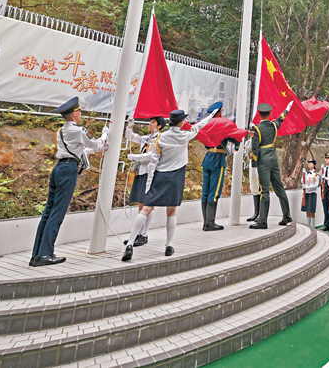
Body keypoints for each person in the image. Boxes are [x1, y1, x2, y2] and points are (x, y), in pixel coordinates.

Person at [122, 109, 213, 261]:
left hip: (160, 175)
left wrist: (149, 185)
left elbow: (153, 161)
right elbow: (199, 126)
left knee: (145, 209)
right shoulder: (185, 136)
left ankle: (130, 243)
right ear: (182, 122)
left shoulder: (161, 137)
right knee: (171, 212)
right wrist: (211, 115)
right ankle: (169, 245)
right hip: (176, 177)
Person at [31, 97, 107, 267]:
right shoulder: (80, 131)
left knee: (48, 212)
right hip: (68, 170)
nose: (80, 114)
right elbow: (97, 145)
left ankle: (37, 254)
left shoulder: (61, 131)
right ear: (74, 114)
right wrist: (105, 135)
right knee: (57, 213)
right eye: (79, 111)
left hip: (58, 169)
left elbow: (75, 149)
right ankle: (45, 254)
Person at [198, 102, 246, 232]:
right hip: (217, 160)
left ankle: (205, 222)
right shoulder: (222, 124)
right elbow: (233, 135)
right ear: (219, 112)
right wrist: (237, 144)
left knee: (205, 192)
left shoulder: (207, 124)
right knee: (214, 192)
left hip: (207, 159)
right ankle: (210, 223)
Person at [249, 102, 294, 230]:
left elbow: (255, 149)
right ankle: (287, 215)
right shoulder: (274, 125)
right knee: (279, 187)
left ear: (259, 114)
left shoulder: (256, 129)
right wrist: (287, 108)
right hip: (273, 159)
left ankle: (262, 221)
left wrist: (254, 165)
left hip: (263, 160)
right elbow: (282, 118)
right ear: (269, 114)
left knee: (264, 190)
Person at [123, 115, 165, 247]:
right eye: (150, 122)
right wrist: (130, 125)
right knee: (141, 204)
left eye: (153, 122)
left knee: (148, 204)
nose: (150, 124)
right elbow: (130, 137)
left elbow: (152, 156)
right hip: (141, 172)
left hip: (151, 173)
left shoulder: (160, 138)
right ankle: (137, 234)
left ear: (159, 126)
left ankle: (144, 234)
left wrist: (135, 157)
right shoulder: (146, 138)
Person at [301, 159, 319, 228]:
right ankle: (308, 226)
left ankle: (313, 226)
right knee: (307, 210)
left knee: (312, 210)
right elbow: (302, 181)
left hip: (312, 193)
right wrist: (303, 174)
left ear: (314, 165)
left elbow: (316, 185)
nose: (309, 164)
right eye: (309, 163)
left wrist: (307, 187)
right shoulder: (306, 173)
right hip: (306, 193)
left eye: (311, 163)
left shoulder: (316, 174)